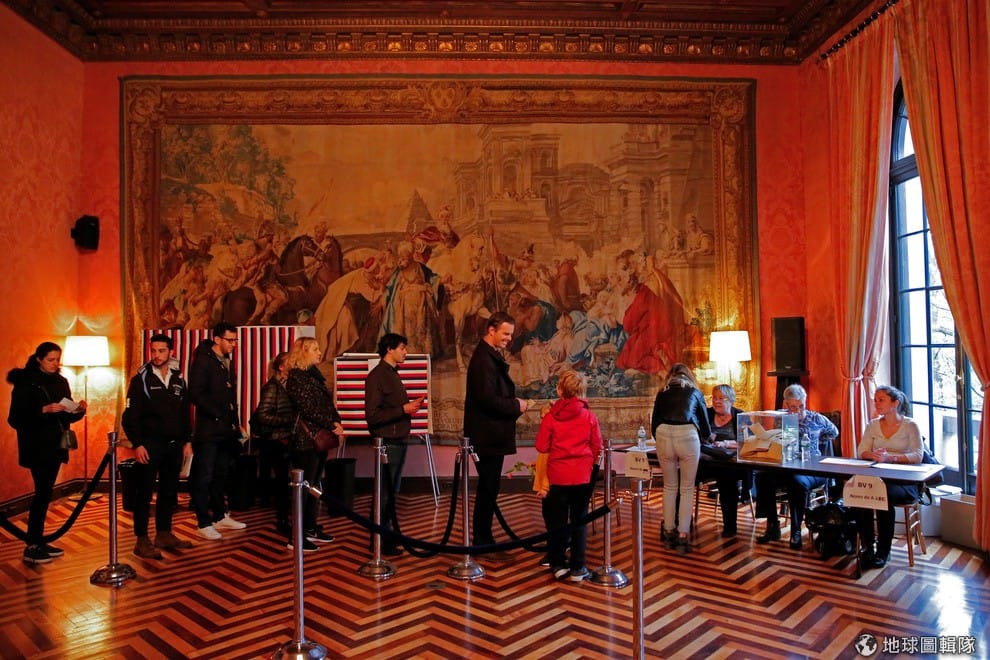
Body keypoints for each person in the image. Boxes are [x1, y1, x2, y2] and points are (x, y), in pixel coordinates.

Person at [7, 342, 87, 564]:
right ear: (39, 359)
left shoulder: (61, 381)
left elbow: (66, 415)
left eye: (57, 359)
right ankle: (33, 546)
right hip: (36, 445)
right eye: (50, 359)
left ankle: (38, 541)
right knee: (42, 493)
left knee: (45, 493)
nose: (55, 364)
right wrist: (43, 409)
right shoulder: (26, 382)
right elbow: (15, 418)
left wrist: (79, 410)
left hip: (56, 444)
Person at [120, 333, 194, 559]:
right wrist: (138, 444)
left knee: (169, 491)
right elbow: (129, 416)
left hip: (174, 445)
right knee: (144, 493)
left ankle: (164, 533)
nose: (156, 355)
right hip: (149, 445)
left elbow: (185, 412)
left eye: (161, 351)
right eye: (153, 350)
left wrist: (187, 440)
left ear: (170, 352)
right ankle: (141, 539)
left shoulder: (178, 378)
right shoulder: (141, 379)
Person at [464, 311, 529, 561]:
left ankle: (485, 540)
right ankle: (482, 543)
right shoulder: (484, 359)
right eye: (505, 333)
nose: (509, 339)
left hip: (490, 434)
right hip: (487, 435)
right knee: (487, 490)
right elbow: (487, 400)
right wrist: (516, 406)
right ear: (491, 330)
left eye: (511, 334)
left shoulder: (488, 355)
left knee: (489, 489)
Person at [534, 370, 603, 582]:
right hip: (582, 476)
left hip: (557, 476)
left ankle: (557, 564)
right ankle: (578, 567)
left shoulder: (551, 417)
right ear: (582, 391)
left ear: (559, 390)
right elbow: (597, 446)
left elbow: (541, 446)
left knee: (558, 522)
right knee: (579, 521)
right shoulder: (589, 416)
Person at [754, 383, 839, 548]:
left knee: (797, 482)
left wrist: (819, 444)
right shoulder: (780, 418)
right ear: (786, 405)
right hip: (787, 465)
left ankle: (796, 530)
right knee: (763, 478)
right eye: (793, 407)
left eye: (801, 406)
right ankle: (772, 525)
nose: (798, 411)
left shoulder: (816, 418)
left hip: (811, 469)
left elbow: (833, 432)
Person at [364, 332, 425, 556]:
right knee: (384, 493)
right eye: (402, 348)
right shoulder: (377, 376)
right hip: (388, 442)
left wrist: (406, 408)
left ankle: (385, 536)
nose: (406, 352)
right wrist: (403, 409)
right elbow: (372, 416)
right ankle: (378, 540)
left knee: (391, 492)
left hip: (398, 439)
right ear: (389, 349)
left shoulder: (391, 373)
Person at [285, 337, 344, 552]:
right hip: (306, 440)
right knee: (304, 487)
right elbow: (308, 408)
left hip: (318, 439)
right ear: (303, 352)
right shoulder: (297, 377)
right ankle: (296, 536)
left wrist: (336, 421)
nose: (320, 352)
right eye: (315, 349)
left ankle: (309, 527)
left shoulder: (314, 376)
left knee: (314, 485)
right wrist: (331, 424)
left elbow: (325, 404)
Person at [188, 322, 247, 540]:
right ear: (217, 339)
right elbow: (196, 393)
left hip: (226, 430)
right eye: (230, 340)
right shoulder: (203, 360)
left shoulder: (226, 360)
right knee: (204, 476)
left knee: (221, 474)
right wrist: (218, 414)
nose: (233, 344)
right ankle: (203, 522)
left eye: (235, 340)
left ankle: (220, 516)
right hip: (209, 430)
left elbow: (230, 397)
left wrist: (236, 423)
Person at [856, 385, 924, 569]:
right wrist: (874, 455)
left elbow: (918, 456)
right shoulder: (872, 425)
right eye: (875, 400)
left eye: (881, 400)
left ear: (895, 403)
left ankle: (883, 551)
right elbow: (861, 451)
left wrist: (891, 458)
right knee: (859, 493)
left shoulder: (910, 426)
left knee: (882, 495)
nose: (876, 403)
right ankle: (867, 545)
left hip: (904, 482)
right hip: (879, 477)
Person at [651, 363, 711, 555]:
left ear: (670, 377)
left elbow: (654, 423)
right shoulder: (694, 392)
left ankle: (668, 531)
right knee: (686, 488)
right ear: (689, 377)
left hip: (663, 433)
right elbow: (705, 426)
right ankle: (682, 535)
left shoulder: (662, 393)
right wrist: (707, 438)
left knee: (669, 487)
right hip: (687, 435)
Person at [253, 351, 295, 537]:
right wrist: (287, 420)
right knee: (281, 481)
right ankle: (282, 519)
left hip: (284, 438)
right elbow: (263, 415)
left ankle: (286, 517)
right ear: (281, 367)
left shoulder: (287, 385)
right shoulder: (273, 387)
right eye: (291, 362)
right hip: (276, 440)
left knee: (284, 481)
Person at [700, 384, 748, 538]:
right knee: (683, 474)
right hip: (708, 461)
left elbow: (747, 442)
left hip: (731, 463)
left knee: (727, 480)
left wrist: (726, 443)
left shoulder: (740, 416)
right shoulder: (707, 414)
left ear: (731, 400)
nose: (716, 401)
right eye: (714, 398)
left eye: (721, 398)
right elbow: (697, 436)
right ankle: (680, 523)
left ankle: (730, 526)